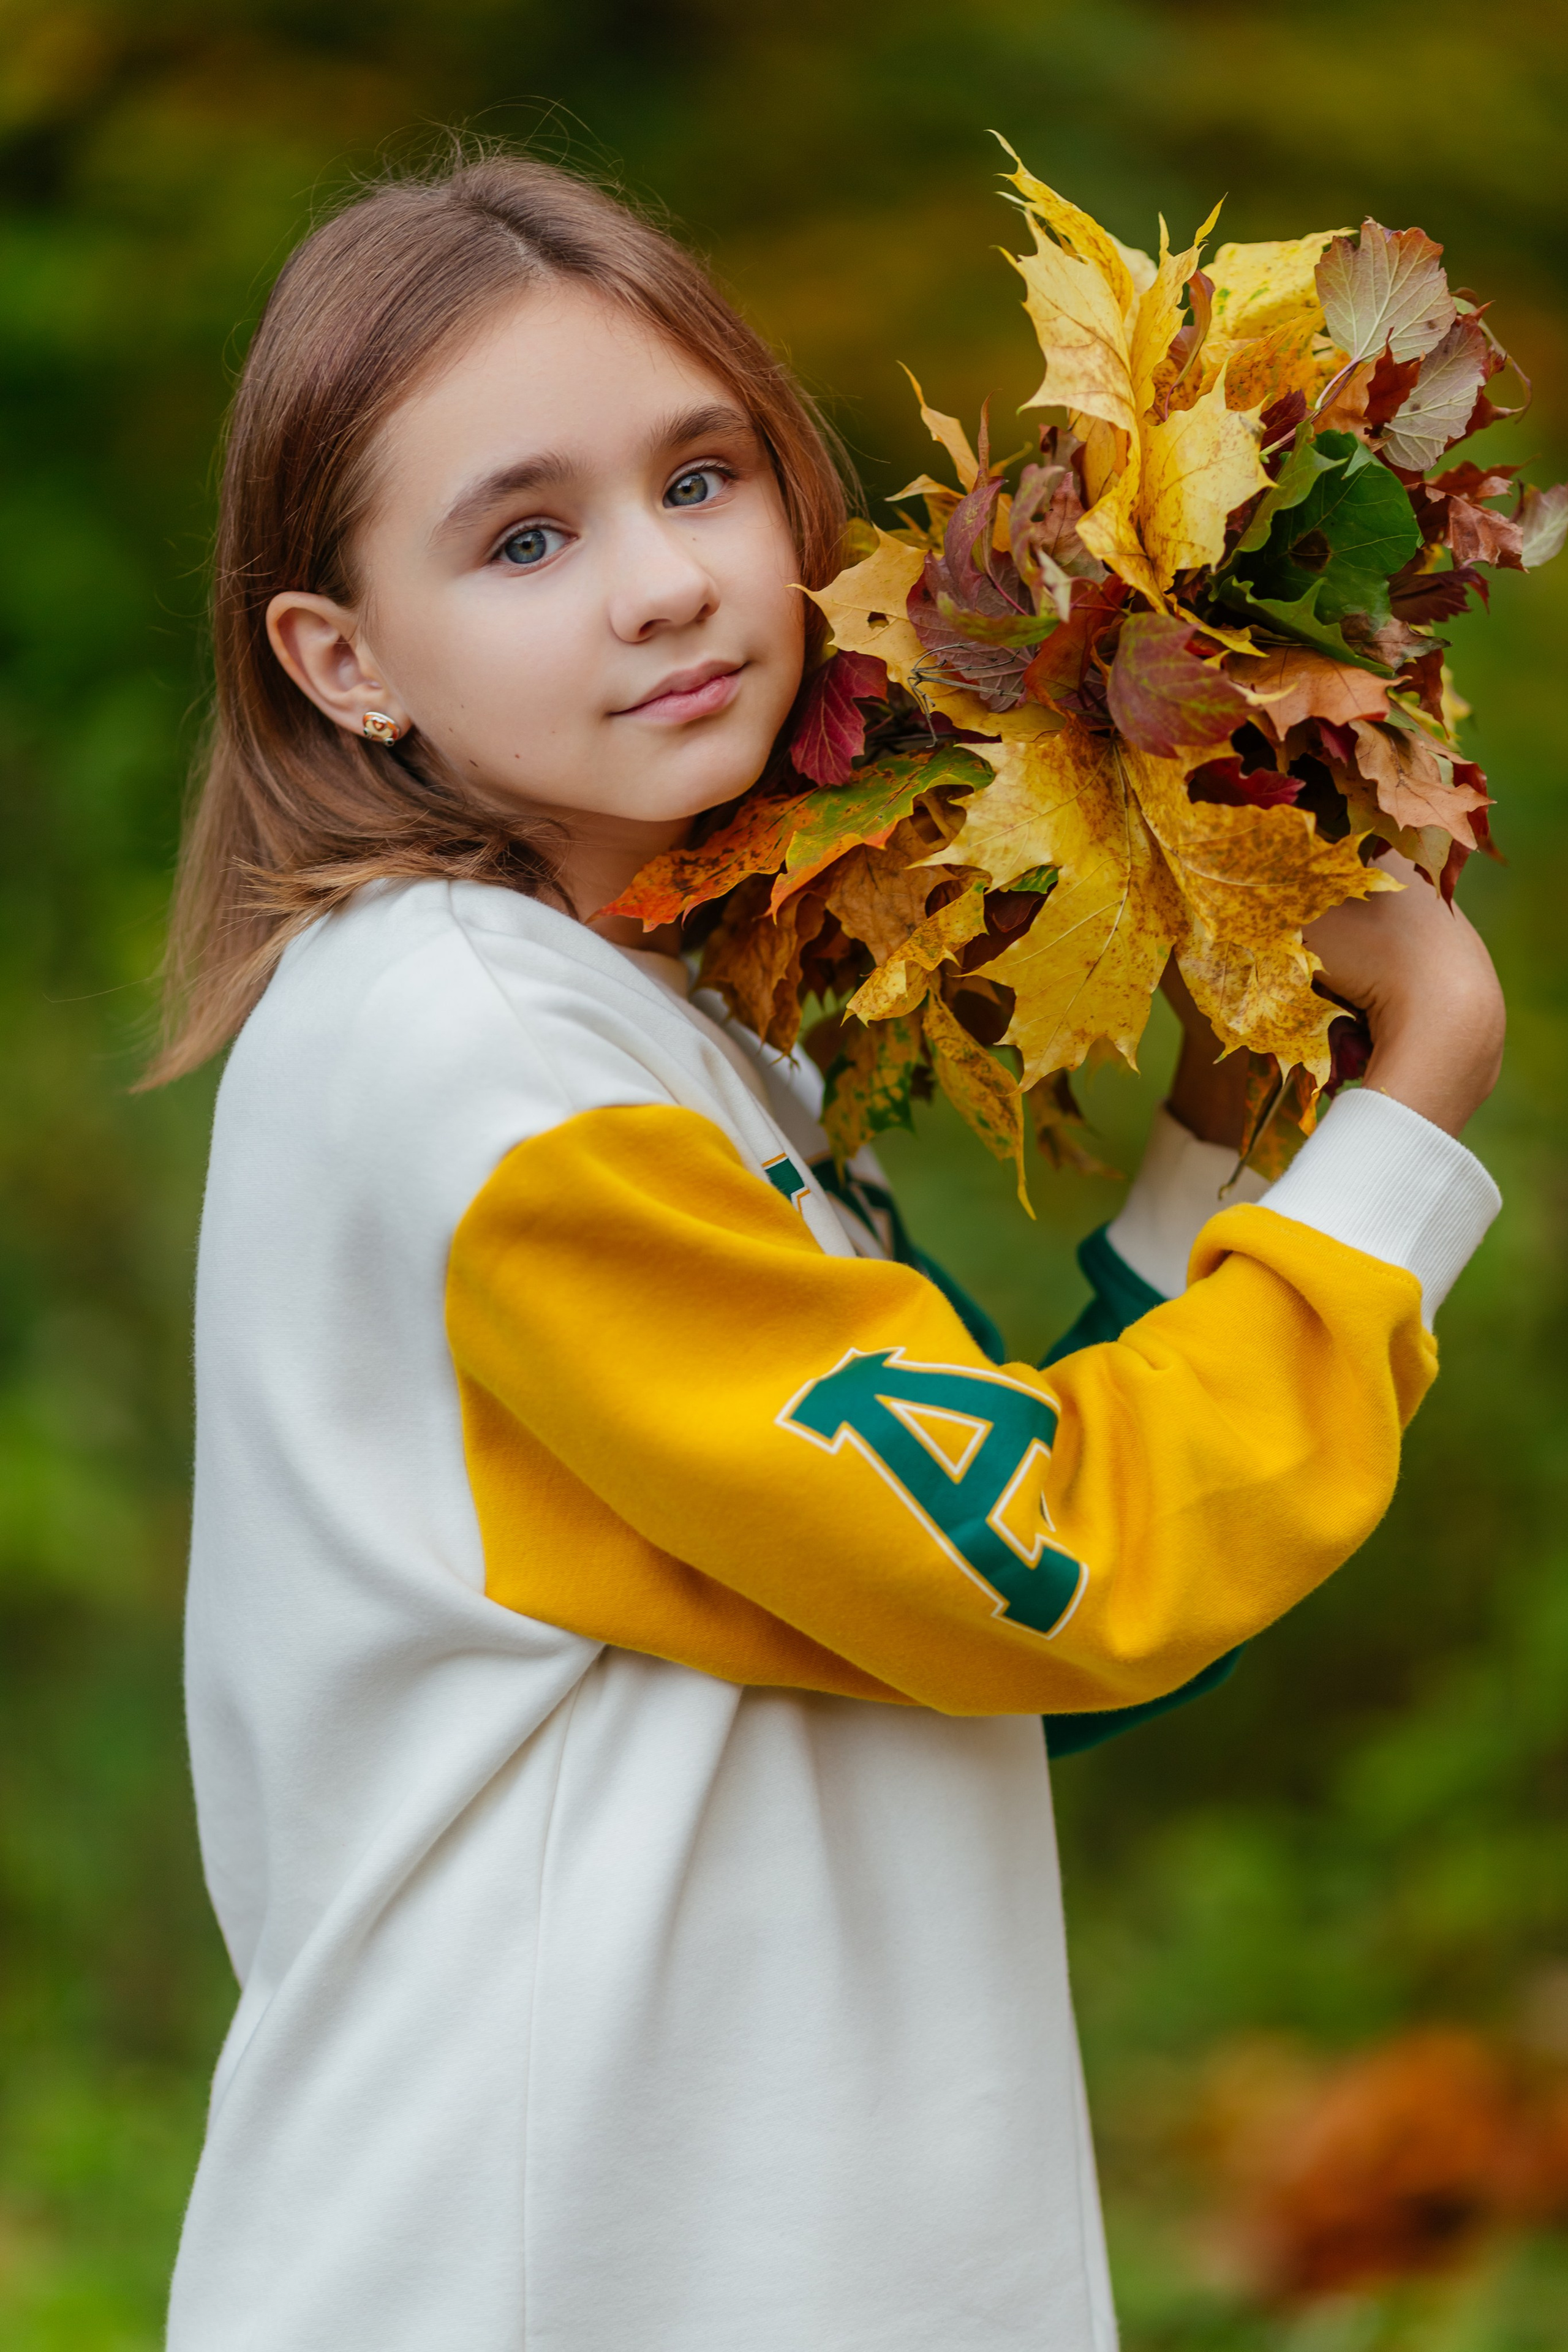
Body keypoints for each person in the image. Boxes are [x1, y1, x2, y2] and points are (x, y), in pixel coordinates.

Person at [151, 149, 1505, 2351]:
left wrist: (1251, 1086)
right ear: (345, 659)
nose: (665, 585)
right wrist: (1417, 1093)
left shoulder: (643, 1025)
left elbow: (946, 1620)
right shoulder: (470, 1051)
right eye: (525, 538)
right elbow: (1061, 1565)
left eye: (702, 478)